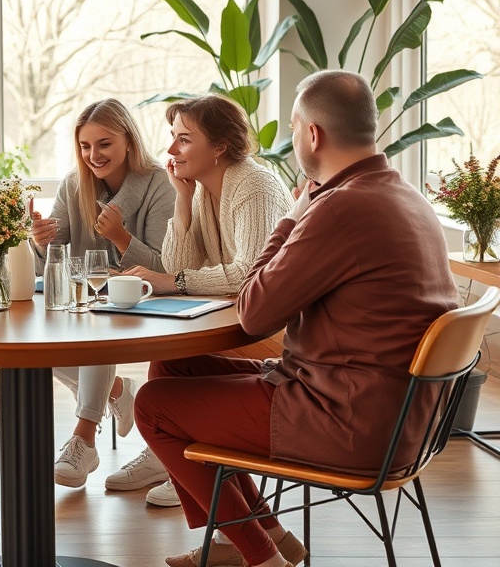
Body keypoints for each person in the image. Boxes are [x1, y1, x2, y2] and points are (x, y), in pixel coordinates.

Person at [134, 70, 460, 567]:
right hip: (400, 419)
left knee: (153, 405)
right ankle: (253, 536)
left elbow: (254, 311)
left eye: (292, 126)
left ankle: (262, 558)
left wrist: (294, 213)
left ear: (313, 134)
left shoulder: (340, 208)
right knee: (173, 369)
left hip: (346, 420)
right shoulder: (406, 195)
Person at [108, 94, 292, 506]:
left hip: (272, 332)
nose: (171, 151)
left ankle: (176, 457)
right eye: (172, 138)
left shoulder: (253, 185)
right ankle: (174, 459)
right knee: (166, 362)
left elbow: (249, 274)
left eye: (184, 140)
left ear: (220, 147)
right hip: (238, 318)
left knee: (170, 371)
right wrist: (183, 199)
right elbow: (177, 264)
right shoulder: (205, 189)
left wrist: (171, 281)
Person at [29, 98, 176, 488]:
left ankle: (84, 437)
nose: (93, 155)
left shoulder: (159, 184)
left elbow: (164, 266)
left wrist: (121, 237)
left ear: (128, 141)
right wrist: (42, 241)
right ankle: (115, 390)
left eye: (104, 144)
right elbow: (52, 262)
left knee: (96, 327)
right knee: (30, 347)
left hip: (144, 303)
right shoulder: (72, 185)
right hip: (86, 300)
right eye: (85, 146)